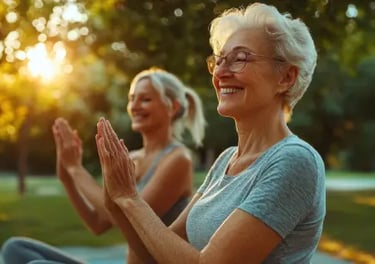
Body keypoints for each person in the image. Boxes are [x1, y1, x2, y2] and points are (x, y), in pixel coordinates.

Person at [95, 2, 326, 264]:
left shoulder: (295, 161)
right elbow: (154, 253)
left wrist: (130, 199)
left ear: (286, 77)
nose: (221, 72)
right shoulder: (225, 161)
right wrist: (117, 198)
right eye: (219, 60)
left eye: (240, 59)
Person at [1, 67, 206, 264]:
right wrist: (67, 178)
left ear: (173, 107)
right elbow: (98, 224)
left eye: (146, 99)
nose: (134, 106)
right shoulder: (130, 158)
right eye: (132, 99)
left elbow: (121, 218)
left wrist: (76, 170)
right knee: (16, 249)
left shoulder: (178, 160)